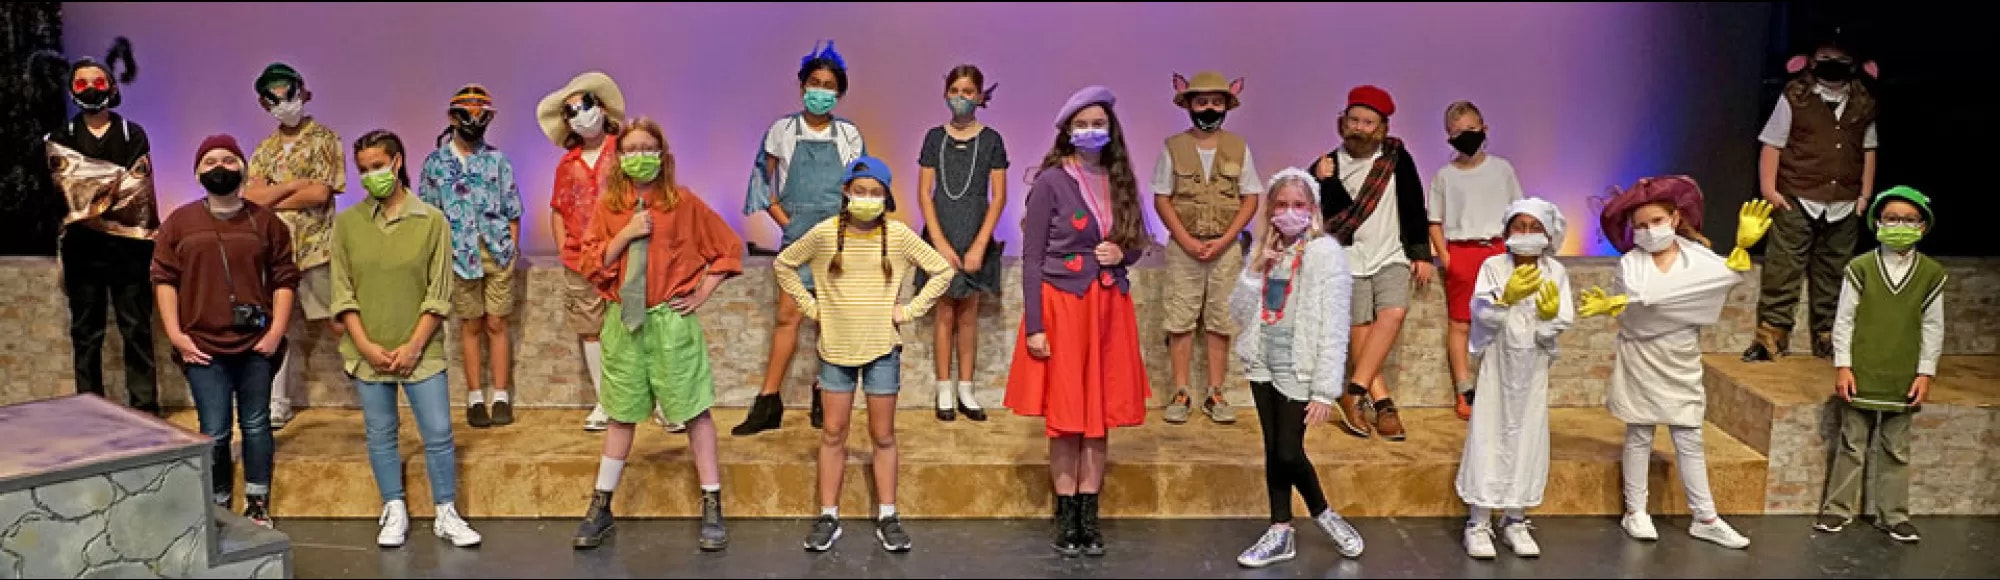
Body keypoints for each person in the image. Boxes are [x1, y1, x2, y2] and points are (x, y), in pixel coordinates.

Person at [571, 118, 744, 551]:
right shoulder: (609, 208)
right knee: (621, 414)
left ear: (662, 155)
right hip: (625, 322)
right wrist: (626, 234)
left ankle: (712, 502)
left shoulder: (682, 203)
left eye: (648, 147)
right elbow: (591, 262)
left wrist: (703, 290)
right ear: (620, 157)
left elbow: (727, 248)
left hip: (671, 322)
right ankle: (601, 505)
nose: (639, 156)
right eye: (630, 149)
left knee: (694, 411)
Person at [1580, 176, 1772, 550]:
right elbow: (1643, 305)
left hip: (1680, 356)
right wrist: (1630, 305)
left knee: (1689, 435)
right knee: (1639, 433)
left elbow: (1714, 286)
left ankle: (1706, 517)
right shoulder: (1631, 265)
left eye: (1656, 221)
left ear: (1675, 218)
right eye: (1640, 226)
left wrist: (1741, 250)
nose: (1650, 231)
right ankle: (1635, 510)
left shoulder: (1699, 258)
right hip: (1640, 355)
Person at [777, 156, 953, 553]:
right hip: (836, 349)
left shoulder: (899, 235)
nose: (867, 199)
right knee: (833, 432)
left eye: (876, 193)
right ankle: (828, 514)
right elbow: (785, 264)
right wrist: (812, 308)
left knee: (883, 435)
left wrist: (907, 312)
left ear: (887, 196)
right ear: (846, 191)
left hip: (881, 350)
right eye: (860, 191)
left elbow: (941, 271)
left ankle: (888, 514)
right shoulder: (824, 235)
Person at [1005, 86, 1151, 558]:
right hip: (1063, 306)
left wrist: (1122, 252)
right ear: (1068, 131)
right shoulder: (1051, 181)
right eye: (1082, 124)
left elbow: (1138, 240)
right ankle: (1065, 513)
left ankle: (1091, 515)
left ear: (1111, 131)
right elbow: (1030, 259)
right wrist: (1034, 325)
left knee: (1098, 419)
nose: (1091, 131)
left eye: (1099, 123)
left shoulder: (1121, 177)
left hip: (1108, 308)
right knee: (1066, 419)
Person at [333, 130, 482, 549]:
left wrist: (415, 345)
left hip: (422, 348)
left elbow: (439, 292)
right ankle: (393, 507)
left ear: (397, 162)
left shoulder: (432, 221)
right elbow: (342, 291)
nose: (370, 175)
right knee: (381, 431)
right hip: (369, 349)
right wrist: (364, 346)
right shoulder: (347, 225)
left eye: (377, 166)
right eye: (362, 170)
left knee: (437, 432)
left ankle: (446, 512)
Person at [151, 134, 300, 529]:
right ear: (198, 171)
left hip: (256, 345)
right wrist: (177, 336)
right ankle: (217, 503)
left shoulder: (267, 223)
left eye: (229, 160)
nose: (220, 167)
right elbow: (164, 280)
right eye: (211, 161)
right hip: (201, 346)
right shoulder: (178, 223)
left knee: (255, 424)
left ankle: (256, 502)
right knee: (214, 431)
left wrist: (276, 332)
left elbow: (285, 279)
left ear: (243, 168)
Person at [1226, 169, 1366, 568]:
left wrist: (1325, 391)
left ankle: (1323, 513)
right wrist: (1256, 270)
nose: (1289, 213)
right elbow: (1238, 313)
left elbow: (1335, 325)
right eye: (1282, 205)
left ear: (1313, 210)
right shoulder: (1262, 253)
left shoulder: (1325, 254)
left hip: (1298, 365)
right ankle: (1280, 530)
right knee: (1273, 450)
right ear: (1270, 210)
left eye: (1298, 205)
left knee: (1290, 450)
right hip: (1262, 360)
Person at [537, 71, 682, 432]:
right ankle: (607, 402)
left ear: (601, 108)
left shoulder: (624, 152)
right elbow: (557, 209)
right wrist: (564, 250)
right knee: (591, 330)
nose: (580, 115)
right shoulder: (566, 165)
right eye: (571, 112)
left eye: (585, 105)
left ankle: (661, 402)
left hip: (628, 254)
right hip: (581, 260)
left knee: (641, 326)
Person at [738, 40, 868, 435]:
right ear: (801, 86)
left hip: (836, 238)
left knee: (829, 320)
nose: (821, 90)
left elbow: (858, 187)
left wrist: (843, 232)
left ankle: (823, 395)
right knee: (787, 317)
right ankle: (768, 402)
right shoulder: (781, 131)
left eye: (829, 85)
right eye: (815, 82)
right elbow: (763, 182)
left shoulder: (849, 135)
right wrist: (786, 223)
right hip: (796, 237)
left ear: (839, 93)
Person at [1744, 25, 1880, 362]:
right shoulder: (1795, 98)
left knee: (1835, 268)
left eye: (1840, 59)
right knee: (1783, 267)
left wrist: (1864, 196)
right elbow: (1772, 144)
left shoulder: (1863, 104)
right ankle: (1772, 334)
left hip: (1844, 202)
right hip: (1796, 195)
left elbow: (1868, 151)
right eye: (1824, 59)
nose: (1832, 64)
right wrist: (1769, 189)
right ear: (1809, 62)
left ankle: (1829, 335)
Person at [1815, 186, 1942, 544]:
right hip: (1863, 369)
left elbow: (1933, 326)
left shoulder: (1931, 274)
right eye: (1891, 218)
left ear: (1922, 226)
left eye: (1907, 219)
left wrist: (1925, 372)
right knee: (1852, 442)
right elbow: (1845, 320)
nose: (1898, 224)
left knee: (1896, 447)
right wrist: (1843, 365)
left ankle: (1894, 514)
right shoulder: (1861, 268)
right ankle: (1839, 509)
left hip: (1903, 374)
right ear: (1878, 223)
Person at [1309, 85, 1433, 441]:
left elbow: (1413, 205)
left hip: (1391, 253)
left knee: (1393, 313)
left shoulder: (1396, 158)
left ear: (1382, 127)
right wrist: (1323, 179)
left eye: (1368, 122)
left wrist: (1421, 253)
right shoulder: (1326, 163)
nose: (1359, 128)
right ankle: (1381, 402)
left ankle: (1354, 391)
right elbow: (1321, 214)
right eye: (1354, 120)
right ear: (1342, 121)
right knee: (1360, 329)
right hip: (1347, 259)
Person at [1456, 198, 1573, 559]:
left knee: (1527, 436)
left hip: (1533, 369)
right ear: (1506, 232)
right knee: (1489, 432)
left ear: (1549, 234)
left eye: (1534, 228)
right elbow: (1481, 315)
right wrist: (1504, 300)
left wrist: (1548, 317)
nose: (1526, 234)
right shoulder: (1493, 266)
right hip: (1497, 364)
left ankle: (1515, 519)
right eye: (1519, 227)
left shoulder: (1555, 272)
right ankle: (1478, 522)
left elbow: (1557, 325)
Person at [47, 48, 161, 416]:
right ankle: (89, 408)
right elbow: (66, 189)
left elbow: (138, 191)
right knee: (86, 332)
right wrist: (112, 184)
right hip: (81, 249)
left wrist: (90, 193)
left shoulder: (133, 133)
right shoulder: (59, 136)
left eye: (99, 82)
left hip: (130, 250)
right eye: (83, 83)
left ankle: (145, 406)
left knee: (136, 328)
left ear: (111, 87)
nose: (92, 88)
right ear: (71, 89)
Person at [242, 62, 346, 430]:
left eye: (288, 92)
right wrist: (291, 186)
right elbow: (252, 198)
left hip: (318, 248)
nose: (283, 101)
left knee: (338, 319)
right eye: (273, 95)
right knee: (275, 326)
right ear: (263, 102)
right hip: (274, 252)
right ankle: (277, 402)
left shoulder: (325, 139)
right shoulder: (264, 149)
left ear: (303, 91)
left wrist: (274, 191)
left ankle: (369, 388)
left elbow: (320, 192)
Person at [1154, 71, 1261, 425]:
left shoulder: (1239, 147)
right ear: (1188, 104)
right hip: (1184, 248)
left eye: (1216, 102)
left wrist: (1226, 239)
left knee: (1220, 319)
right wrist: (1185, 240)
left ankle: (1216, 391)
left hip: (1225, 248)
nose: (1209, 108)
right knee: (1180, 318)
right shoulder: (1173, 147)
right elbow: (1162, 198)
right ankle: (1181, 390)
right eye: (1202, 102)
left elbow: (1249, 199)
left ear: (1227, 105)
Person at [418, 84, 524, 428]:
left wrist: (511, 249)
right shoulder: (435, 164)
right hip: (458, 256)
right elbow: (429, 215)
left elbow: (512, 209)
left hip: (496, 250)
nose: (473, 122)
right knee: (470, 323)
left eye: (482, 116)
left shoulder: (497, 160)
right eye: (466, 115)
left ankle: (501, 394)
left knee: (497, 322)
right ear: (452, 117)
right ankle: (475, 395)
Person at [913, 64, 1008, 422]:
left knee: (968, 314)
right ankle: (944, 391)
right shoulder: (933, 138)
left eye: (968, 92)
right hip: (941, 233)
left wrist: (980, 244)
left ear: (980, 96)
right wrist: (938, 243)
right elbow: (924, 193)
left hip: (975, 234)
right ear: (945, 94)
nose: (961, 98)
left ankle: (967, 389)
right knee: (944, 313)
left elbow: (998, 196)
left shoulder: (992, 140)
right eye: (955, 91)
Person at [1426, 101, 1525, 420]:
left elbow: (1519, 212)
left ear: (1484, 130)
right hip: (1462, 253)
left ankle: (1503, 388)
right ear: (1448, 138)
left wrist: (1519, 252)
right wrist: (1446, 257)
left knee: (1504, 320)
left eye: (1471, 130)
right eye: (1457, 133)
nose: (1465, 136)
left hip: (1498, 250)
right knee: (1460, 323)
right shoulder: (1444, 176)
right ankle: (1464, 390)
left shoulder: (1502, 169)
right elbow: (1435, 220)